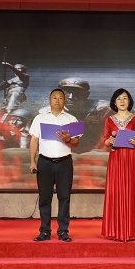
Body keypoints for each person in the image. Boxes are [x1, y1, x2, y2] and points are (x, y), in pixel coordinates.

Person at [29, 88, 78, 242]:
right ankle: (44, 231)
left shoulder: (71, 119)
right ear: (49, 100)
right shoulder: (40, 118)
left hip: (64, 163)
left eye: (60, 98)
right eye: (54, 98)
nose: (57, 100)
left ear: (64, 101)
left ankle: (63, 231)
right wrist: (32, 161)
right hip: (45, 162)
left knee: (64, 197)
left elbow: (76, 142)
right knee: (45, 198)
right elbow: (34, 140)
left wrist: (68, 139)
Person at [101, 88, 135, 242]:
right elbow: (106, 141)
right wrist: (109, 141)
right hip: (116, 159)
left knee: (132, 191)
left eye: (125, 98)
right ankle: (115, 230)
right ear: (114, 102)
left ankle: (131, 231)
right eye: (119, 98)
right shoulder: (109, 120)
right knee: (116, 192)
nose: (122, 101)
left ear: (129, 101)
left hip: (132, 159)